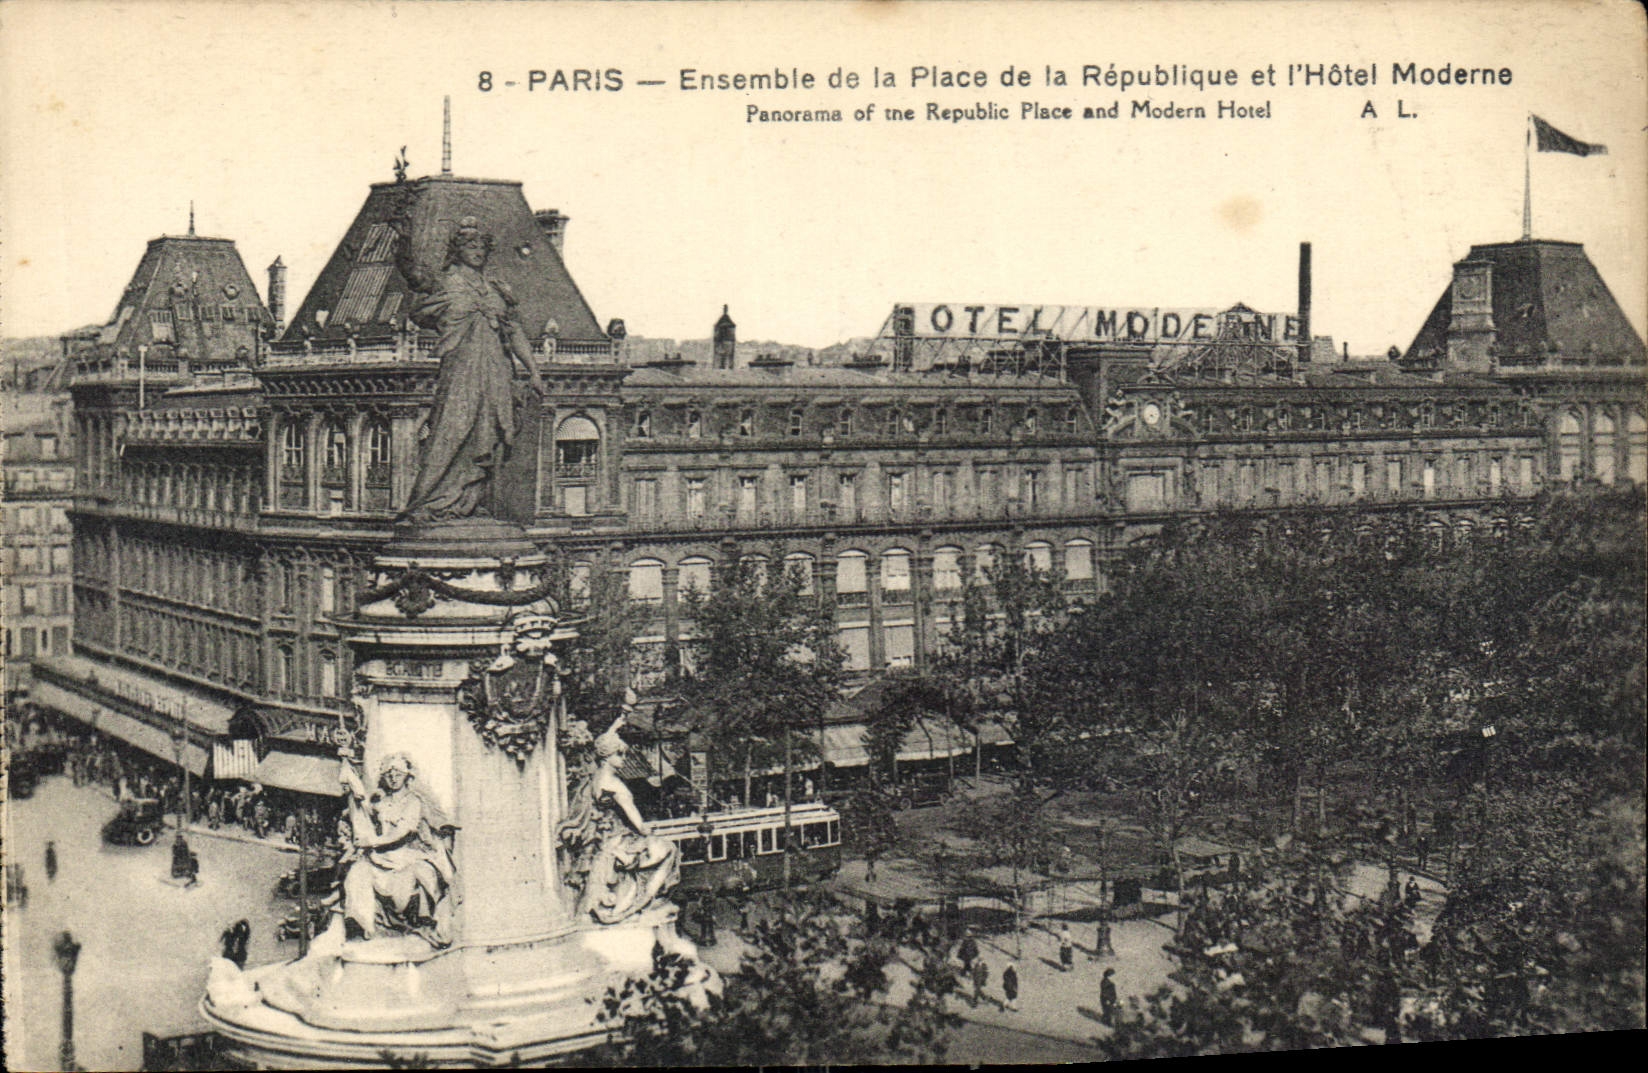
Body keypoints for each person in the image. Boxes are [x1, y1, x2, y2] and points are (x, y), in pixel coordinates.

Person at [397, 215, 545, 524]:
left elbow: (514, 331)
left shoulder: (496, 289)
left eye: (481, 247)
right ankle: (429, 501)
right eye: (469, 246)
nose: (477, 251)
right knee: (451, 431)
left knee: (488, 434)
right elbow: (413, 275)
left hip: (497, 372)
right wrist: (404, 239)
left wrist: (533, 371)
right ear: (457, 251)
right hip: (461, 374)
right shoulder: (446, 282)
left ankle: (469, 501)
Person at [557, 716, 680, 926]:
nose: (623, 758)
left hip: (603, 838)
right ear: (607, 757)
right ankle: (637, 904)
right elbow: (639, 825)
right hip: (616, 839)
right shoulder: (614, 785)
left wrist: (615, 725)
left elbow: (603, 743)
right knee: (668, 849)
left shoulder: (595, 776)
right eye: (619, 754)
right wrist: (648, 831)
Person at [339, 753, 457, 946]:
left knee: (423, 873)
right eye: (389, 774)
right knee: (358, 871)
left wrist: (372, 842)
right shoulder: (381, 802)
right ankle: (360, 925)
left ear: (407, 776)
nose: (393, 778)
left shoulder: (413, 802)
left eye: (398, 774)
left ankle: (428, 923)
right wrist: (353, 785)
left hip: (407, 857)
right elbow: (364, 812)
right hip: (381, 858)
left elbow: (402, 831)